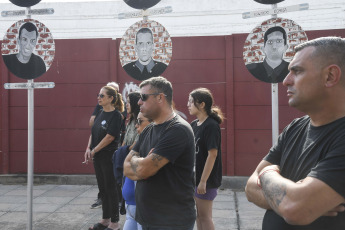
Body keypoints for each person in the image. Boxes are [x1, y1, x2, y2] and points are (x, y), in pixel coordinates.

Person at [245, 36, 345, 230]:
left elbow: (296, 209)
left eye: (297, 71)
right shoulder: (295, 128)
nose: (285, 81)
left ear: (330, 76)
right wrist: (288, 196)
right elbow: (249, 188)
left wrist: (266, 174)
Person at [123, 76, 196, 230]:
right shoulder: (148, 128)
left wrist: (138, 163)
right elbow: (126, 167)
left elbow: (143, 169)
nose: (139, 102)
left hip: (171, 222)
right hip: (147, 219)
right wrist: (142, 162)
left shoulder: (178, 130)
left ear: (160, 98)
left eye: (143, 97)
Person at [84, 86, 124, 230]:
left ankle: (114, 222)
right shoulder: (100, 113)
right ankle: (105, 219)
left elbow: (110, 137)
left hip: (108, 156)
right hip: (98, 156)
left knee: (111, 188)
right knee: (103, 188)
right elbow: (93, 133)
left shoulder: (116, 115)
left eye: (102, 96)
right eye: (98, 95)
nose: (98, 98)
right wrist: (89, 148)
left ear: (111, 98)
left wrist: (94, 150)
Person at [187, 88, 223, 230]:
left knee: (205, 217)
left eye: (191, 101)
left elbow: (212, 154)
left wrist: (203, 181)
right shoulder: (193, 125)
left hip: (206, 180)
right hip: (194, 179)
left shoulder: (211, 126)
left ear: (201, 104)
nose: (188, 105)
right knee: (198, 216)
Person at [122, 112, 152, 230]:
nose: (136, 125)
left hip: (142, 207)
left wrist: (135, 162)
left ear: (152, 123)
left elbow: (144, 170)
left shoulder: (154, 143)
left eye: (140, 121)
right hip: (130, 205)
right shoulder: (141, 140)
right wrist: (139, 162)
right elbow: (127, 165)